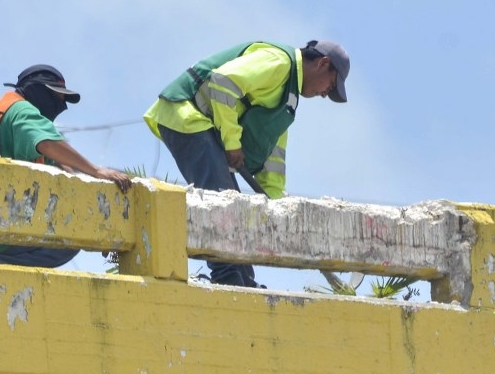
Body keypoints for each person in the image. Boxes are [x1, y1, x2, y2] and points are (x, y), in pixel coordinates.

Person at [143, 39, 350, 288]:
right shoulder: (279, 62)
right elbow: (223, 82)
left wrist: (274, 206)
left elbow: (273, 159)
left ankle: (244, 281)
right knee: (221, 199)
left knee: (234, 207)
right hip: (186, 112)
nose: (327, 93)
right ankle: (227, 278)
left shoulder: (288, 103)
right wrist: (232, 143)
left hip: (207, 130)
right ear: (322, 63)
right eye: (331, 84)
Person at [0, 64, 131, 268]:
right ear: (38, 90)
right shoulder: (22, 110)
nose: (61, 104)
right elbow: (49, 143)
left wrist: (98, 227)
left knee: (69, 218)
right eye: (57, 97)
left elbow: (64, 173)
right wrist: (97, 171)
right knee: (72, 237)